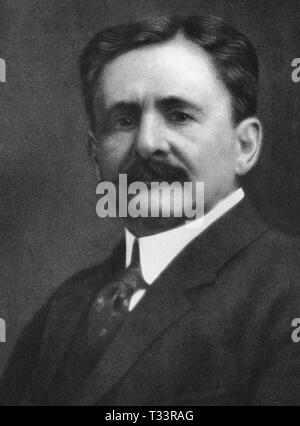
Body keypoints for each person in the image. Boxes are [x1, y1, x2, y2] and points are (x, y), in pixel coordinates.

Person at [1, 14, 300, 406]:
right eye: (123, 120)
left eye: (179, 115)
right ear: (96, 155)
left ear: (243, 146)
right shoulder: (64, 308)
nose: (146, 143)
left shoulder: (287, 291)